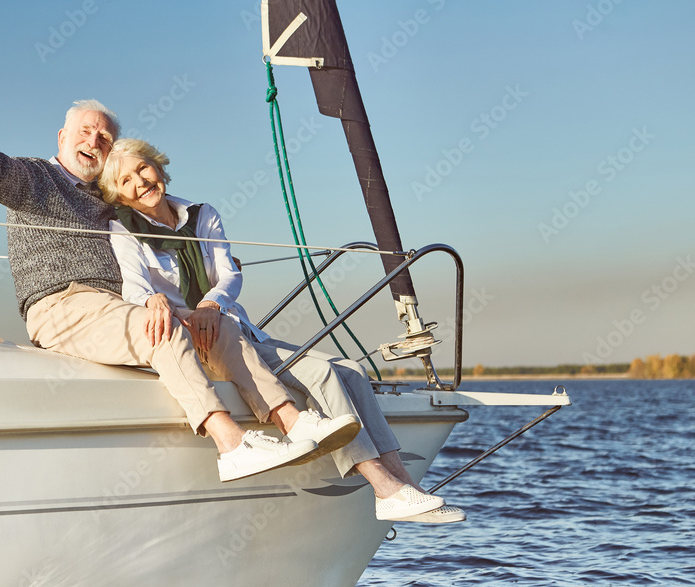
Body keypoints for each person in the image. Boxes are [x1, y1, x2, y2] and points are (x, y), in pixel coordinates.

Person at [0, 100, 361, 483]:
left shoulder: (111, 199)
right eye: (86, 131)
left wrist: (213, 272)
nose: (95, 140)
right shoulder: (39, 179)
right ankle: (233, 446)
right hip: (63, 304)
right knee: (161, 324)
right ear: (62, 136)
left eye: (106, 137)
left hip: (117, 307)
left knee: (220, 327)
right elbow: (1, 175)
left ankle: (293, 422)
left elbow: (160, 231)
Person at [99, 138, 466, 523]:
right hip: (201, 340)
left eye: (143, 168)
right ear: (120, 196)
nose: (140, 181)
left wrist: (211, 303)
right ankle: (384, 488)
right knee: (322, 373)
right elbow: (135, 286)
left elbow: (229, 274)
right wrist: (154, 301)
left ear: (158, 166)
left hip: (232, 323)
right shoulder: (123, 230)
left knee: (354, 371)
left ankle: (406, 484)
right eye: (126, 181)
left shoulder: (202, 213)